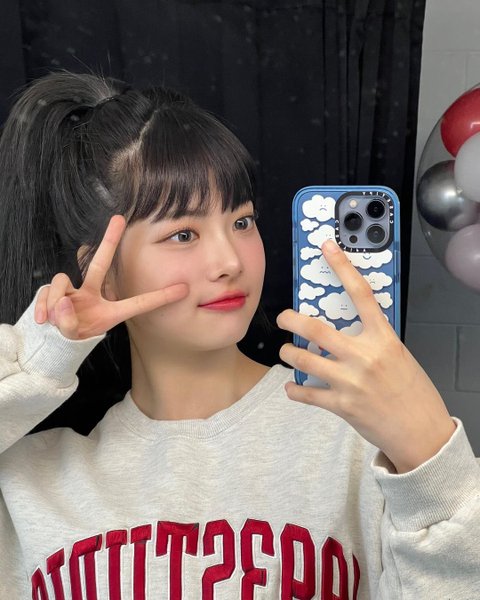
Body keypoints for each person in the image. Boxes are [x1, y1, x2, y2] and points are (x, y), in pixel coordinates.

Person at [0, 71, 478, 600]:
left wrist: (431, 460)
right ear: (103, 269)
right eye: (183, 233)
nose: (230, 260)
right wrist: (37, 360)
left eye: (242, 222)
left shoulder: (362, 440)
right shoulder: (31, 482)